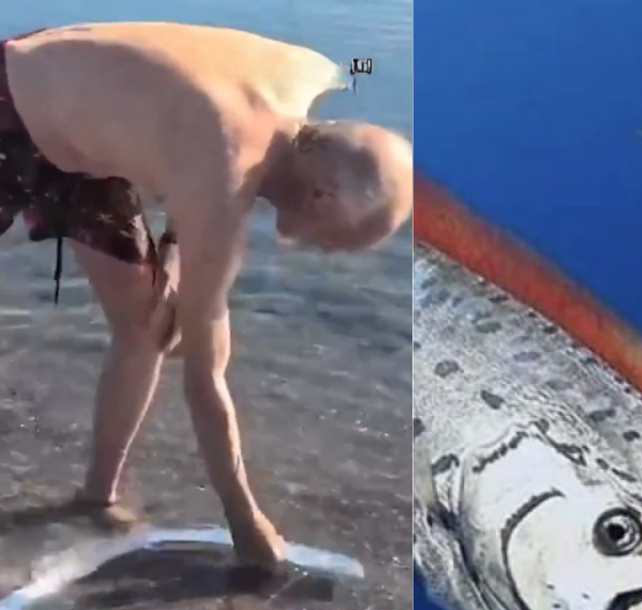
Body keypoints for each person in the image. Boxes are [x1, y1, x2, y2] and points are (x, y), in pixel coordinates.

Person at [0, 22, 413, 569]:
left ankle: (95, 499)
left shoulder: (307, 71)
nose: (329, 253)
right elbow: (204, 378)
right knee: (181, 337)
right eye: (340, 240)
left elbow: (179, 124)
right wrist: (246, 520)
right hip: (18, 98)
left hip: (92, 139)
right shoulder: (225, 180)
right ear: (324, 195)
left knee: (144, 322)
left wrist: (173, 246)